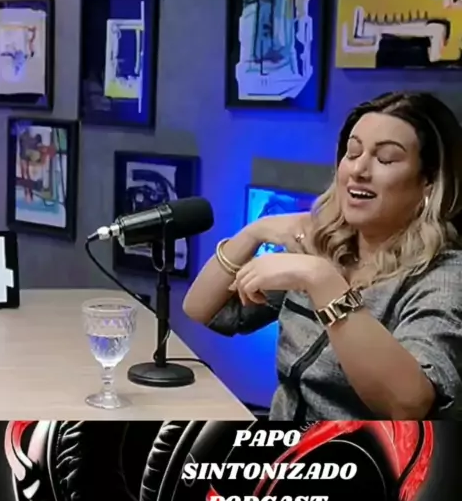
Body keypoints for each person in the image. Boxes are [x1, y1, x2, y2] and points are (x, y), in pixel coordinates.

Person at [183, 92, 462, 420]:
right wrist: (256, 232)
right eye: (352, 152)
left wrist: (322, 281)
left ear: (429, 183)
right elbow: (201, 308)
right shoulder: (325, 245)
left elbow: (409, 404)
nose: (359, 169)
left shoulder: (444, 276)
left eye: (386, 159)